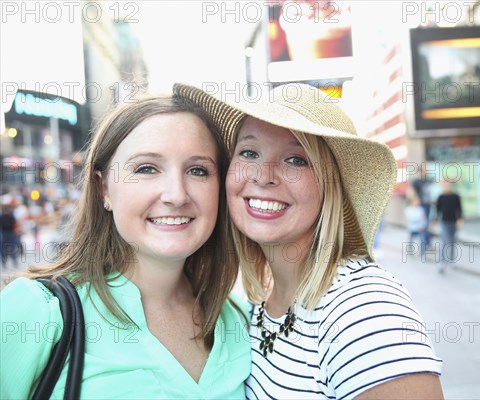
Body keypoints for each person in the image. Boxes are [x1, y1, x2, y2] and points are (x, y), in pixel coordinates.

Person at [175, 83, 443, 399]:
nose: (264, 175)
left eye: (296, 160)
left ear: (330, 186)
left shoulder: (363, 308)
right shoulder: (255, 303)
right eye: (249, 152)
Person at [0, 95, 250, 399]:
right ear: (103, 187)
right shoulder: (38, 311)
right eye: (146, 168)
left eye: (198, 170)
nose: (176, 195)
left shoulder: (236, 318)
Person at [434, 179, 464, 273]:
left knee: (452, 242)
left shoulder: (456, 196)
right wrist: (434, 220)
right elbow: (437, 210)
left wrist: (460, 220)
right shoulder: (440, 197)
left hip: (453, 222)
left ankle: (451, 261)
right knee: (444, 242)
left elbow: (459, 209)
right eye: (445, 184)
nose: (447, 186)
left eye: (448, 184)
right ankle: (442, 262)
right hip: (444, 222)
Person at [412, 164, 433, 248]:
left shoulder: (429, 180)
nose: (426, 171)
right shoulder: (416, 182)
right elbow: (412, 193)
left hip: (428, 205)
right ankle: (425, 243)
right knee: (423, 225)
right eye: (424, 170)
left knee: (426, 224)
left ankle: (427, 242)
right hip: (420, 206)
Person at [404, 189, 427, 258]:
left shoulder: (420, 209)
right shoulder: (409, 209)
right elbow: (410, 218)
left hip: (419, 227)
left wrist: (423, 224)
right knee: (410, 240)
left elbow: (423, 218)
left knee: (422, 240)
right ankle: (410, 251)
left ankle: (422, 252)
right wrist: (418, 218)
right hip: (412, 227)